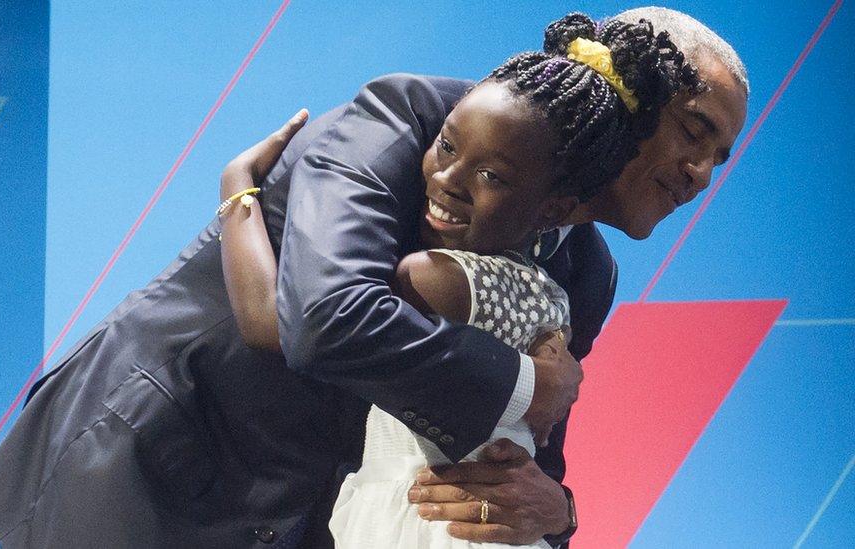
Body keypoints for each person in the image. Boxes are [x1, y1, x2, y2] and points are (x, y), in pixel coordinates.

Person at [0, 8, 747, 548]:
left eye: (721, 154)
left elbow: (517, 444)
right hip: (151, 475)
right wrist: (525, 384)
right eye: (696, 130)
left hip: (303, 512)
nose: (703, 172)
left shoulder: (588, 270)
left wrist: (556, 507)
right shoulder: (403, 116)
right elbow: (328, 317)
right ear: (631, 93)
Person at [217, 13, 697, 548]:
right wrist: (529, 388)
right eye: (445, 146)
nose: (447, 179)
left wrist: (236, 190)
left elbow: (288, 320)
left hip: (429, 526)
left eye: (492, 176)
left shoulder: (438, 276)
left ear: (553, 209)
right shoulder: (547, 292)